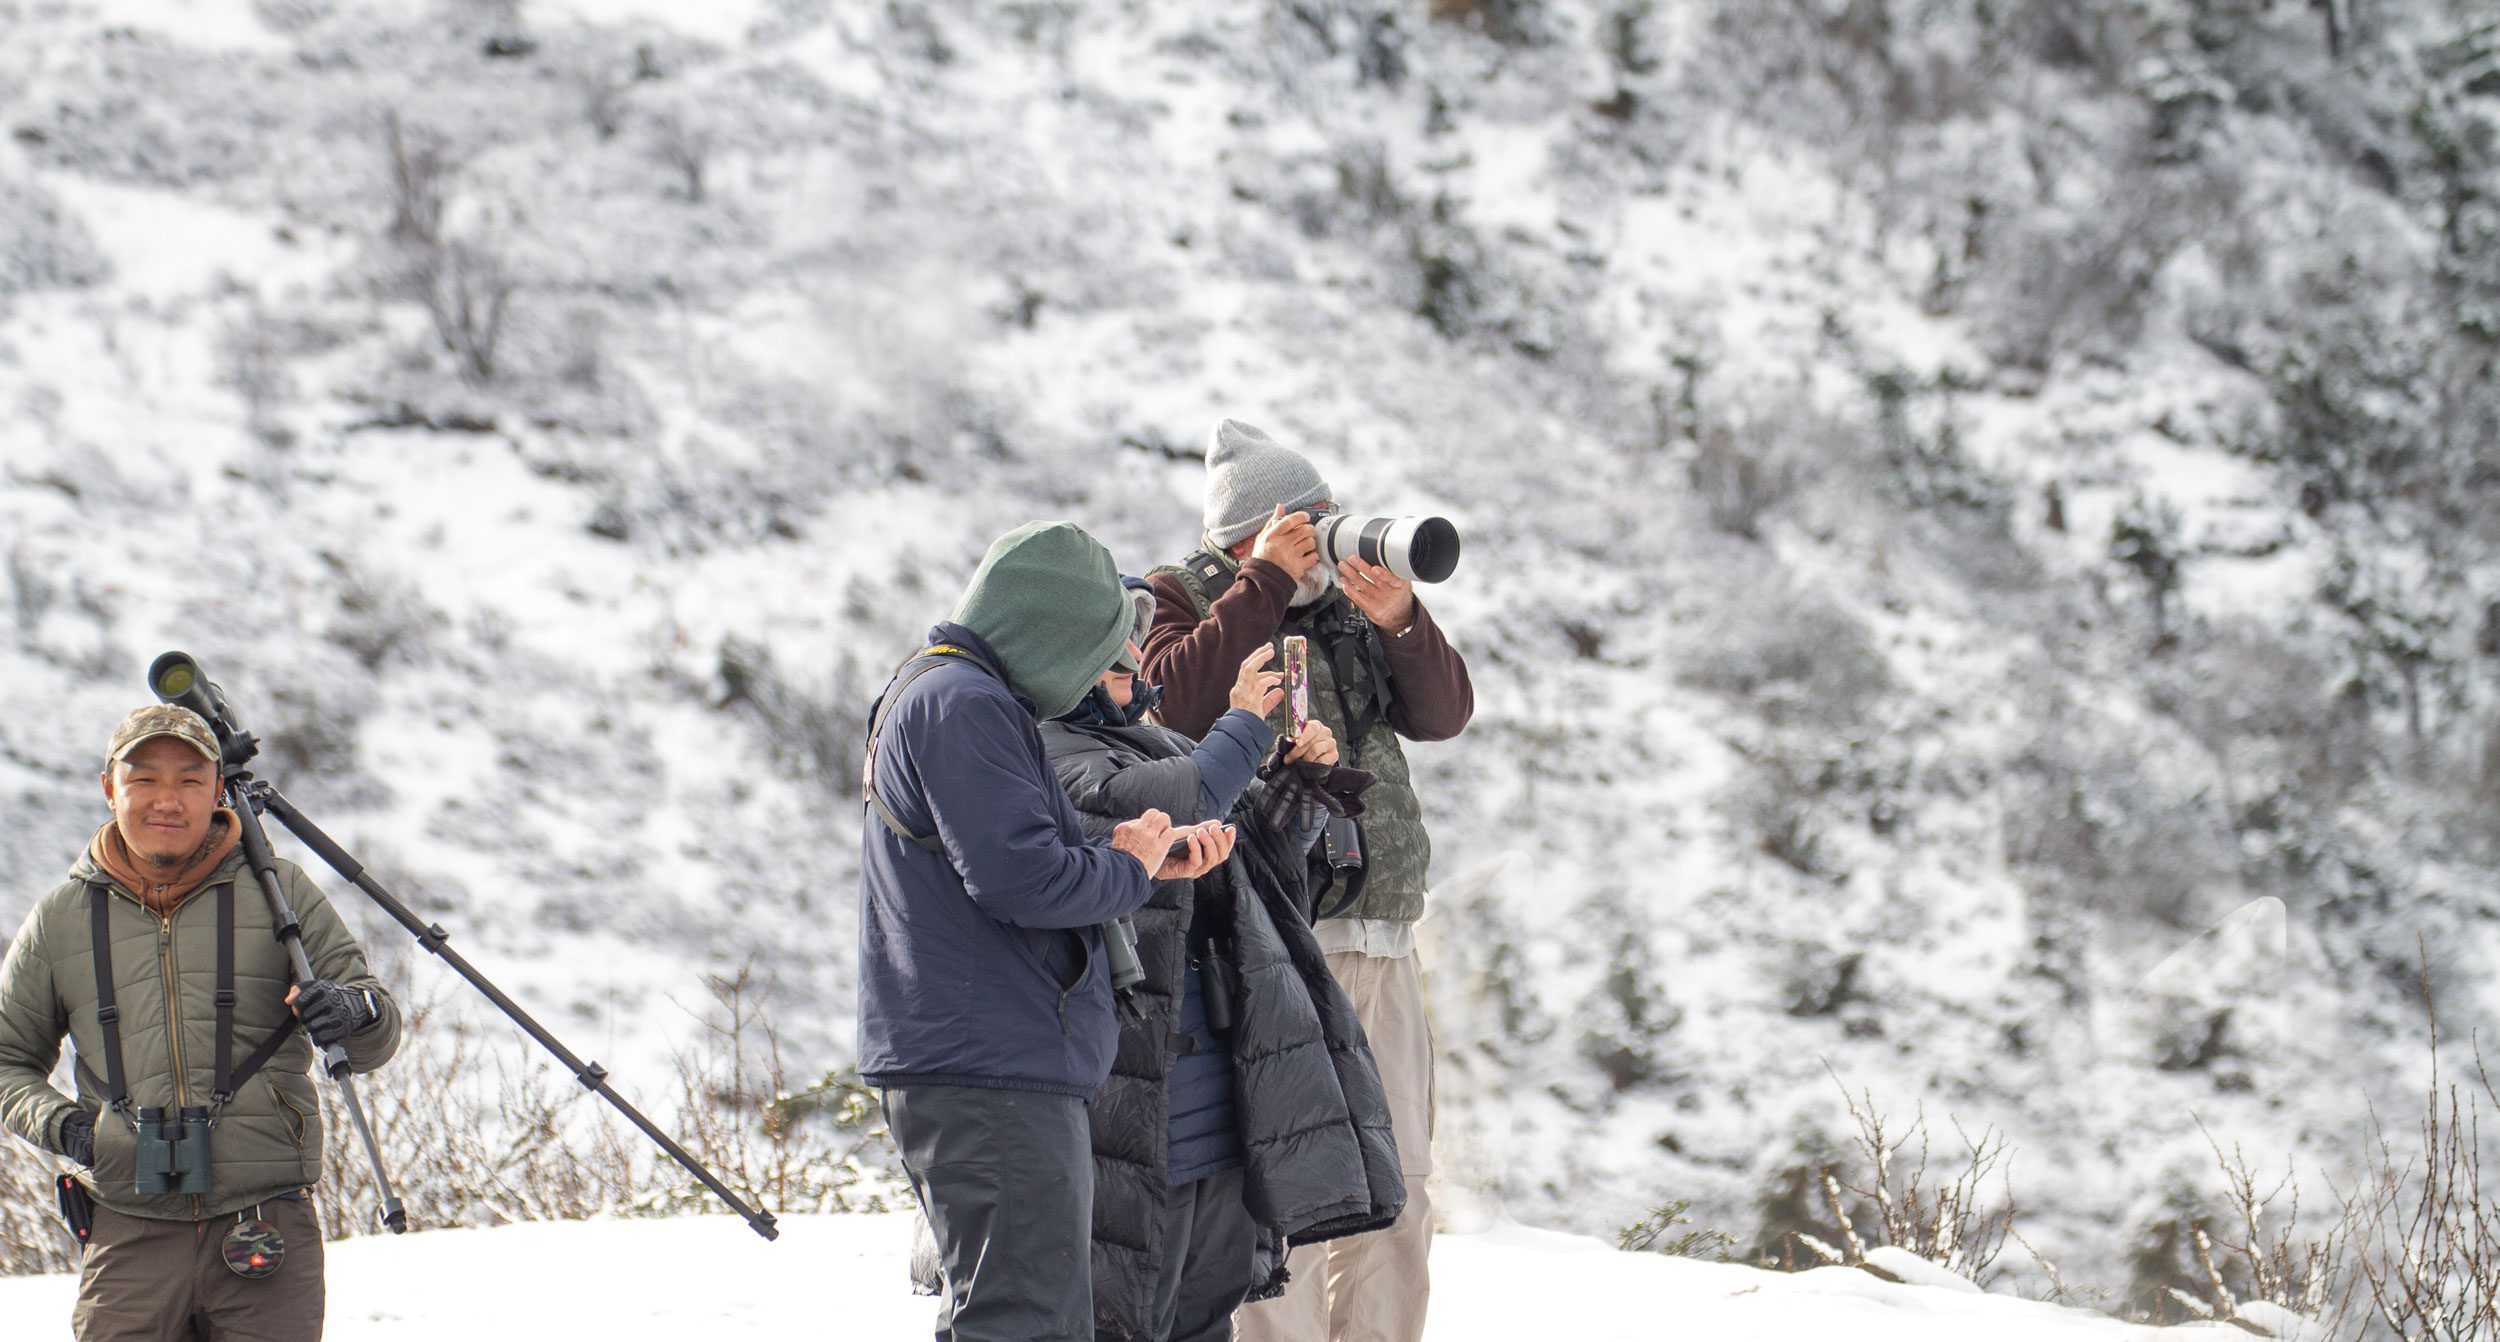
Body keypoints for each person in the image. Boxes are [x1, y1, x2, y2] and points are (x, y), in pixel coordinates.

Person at [861, 521, 1237, 1342]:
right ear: (1049, 628)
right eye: (1093, 648)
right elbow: (1021, 880)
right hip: (990, 1064)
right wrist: (1128, 868)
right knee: (1027, 1321)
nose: (1094, 675)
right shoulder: (963, 703)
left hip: (984, 1056)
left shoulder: (944, 694)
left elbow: (1018, 858)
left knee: (1017, 1314)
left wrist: (1145, 862)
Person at [1143, 421, 1474, 1342]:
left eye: (1330, 513)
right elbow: (1170, 703)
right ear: (1254, 530)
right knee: (1284, 1179)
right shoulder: (1181, 594)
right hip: (1270, 940)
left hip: (1382, 935)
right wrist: (1264, 583)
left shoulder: (1347, 611)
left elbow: (1444, 714)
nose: (1326, 533)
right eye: (1307, 518)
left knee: (1401, 1185)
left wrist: (1401, 620)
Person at [1040, 581, 1404, 1342]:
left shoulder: (1162, 744)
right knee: (1127, 1315)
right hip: (1136, 1110)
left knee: (1205, 1318)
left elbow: (1257, 868)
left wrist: (1296, 786)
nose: (1133, 661)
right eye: (1115, 651)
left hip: (1217, 1100)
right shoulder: (1049, 750)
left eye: (1134, 645)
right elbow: (1163, 804)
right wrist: (1241, 724)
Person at [0, 704, 402, 1340]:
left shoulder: (280, 891)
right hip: (127, 1228)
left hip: (265, 1222)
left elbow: (376, 1026)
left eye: (190, 780)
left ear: (218, 790)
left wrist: (351, 1010)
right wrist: (67, 1128)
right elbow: (7, 1060)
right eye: (144, 779)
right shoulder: (61, 918)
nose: (167, 799)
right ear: (109, 789)